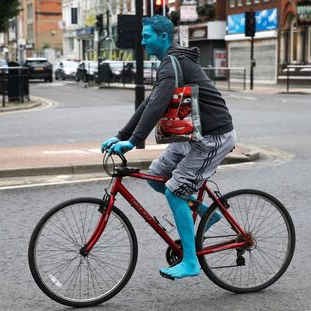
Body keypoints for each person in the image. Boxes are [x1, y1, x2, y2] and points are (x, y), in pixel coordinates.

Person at [101, 15, 236, 280]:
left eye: (146, 36)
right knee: (156, 178)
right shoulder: (170, 63)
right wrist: (122, 136)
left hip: (213, 136)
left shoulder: (173, 62)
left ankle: (190, 262)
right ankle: (207, 214)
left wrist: (132, 141)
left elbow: (158, 103)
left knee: (175, 192)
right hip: (191, 136)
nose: (142, 41)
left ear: (163, 37)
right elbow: (149, 103)